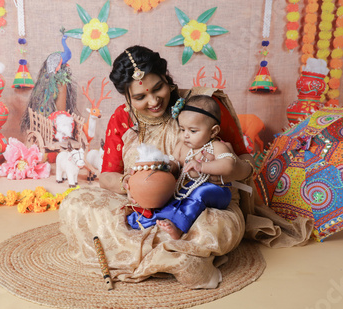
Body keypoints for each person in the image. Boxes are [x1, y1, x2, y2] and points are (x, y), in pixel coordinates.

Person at [58, 45, 255, 289]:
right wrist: (128, 184)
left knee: (212, 228)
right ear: (127, 97)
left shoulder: (202, 106)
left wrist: (226, 169)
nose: (153, 101)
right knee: (75, 203)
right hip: (140, 205)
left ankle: (161, 250)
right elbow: (106, 176)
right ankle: (175, 255)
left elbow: (246, 160)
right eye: (140, 97)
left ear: (167, 78)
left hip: (197, 205)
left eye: (158, 88)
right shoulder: (122, 117)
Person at [126, 95, 237, 240]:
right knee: (169, 196)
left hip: (216, 191)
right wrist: (161, 165)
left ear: (213, 131)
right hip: (186, 188)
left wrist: (202, 166)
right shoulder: (182, 146)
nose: (185, 136)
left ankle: (178, 228)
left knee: (200, 193)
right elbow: (175, 165)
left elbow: (229, 165)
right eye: (182, 129)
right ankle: (149, 220)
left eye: (193, 131)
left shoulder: (217, 146)